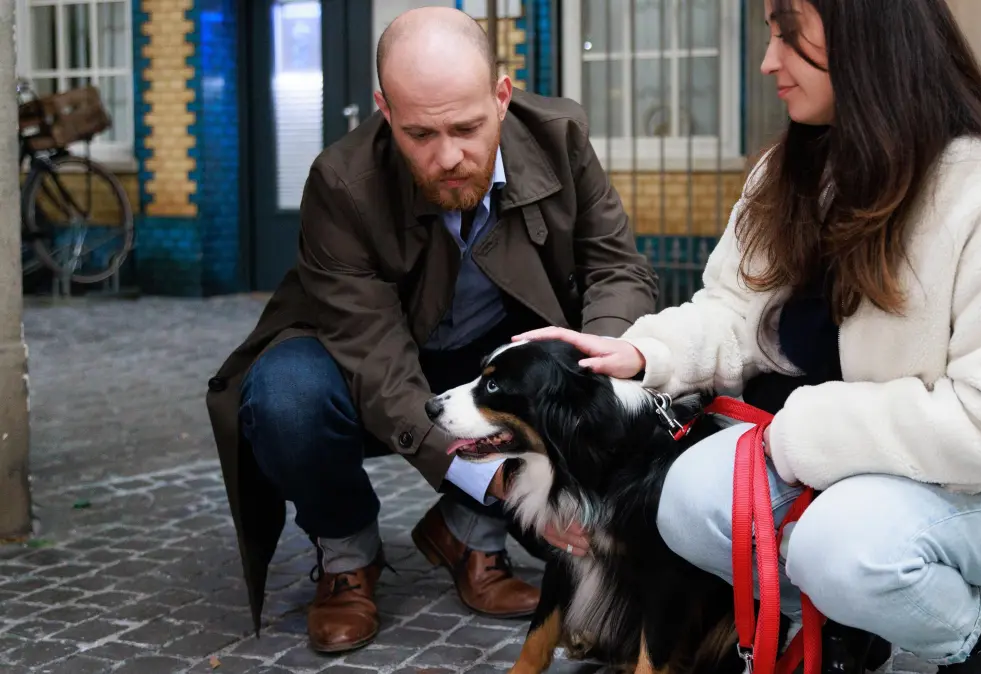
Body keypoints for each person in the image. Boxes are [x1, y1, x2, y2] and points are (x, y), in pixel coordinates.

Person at [514, 0, 981, 673]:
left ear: (867, 39)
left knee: (840, 545)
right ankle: (849, 617)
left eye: (788, 36)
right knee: (681, 503)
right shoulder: (792, 171)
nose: (769, 60)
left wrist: (800, 431)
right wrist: (645, 353)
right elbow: (734, 308)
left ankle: (967, 633)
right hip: (843, 462)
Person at [204, 6, 658, 655]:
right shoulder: (340, 182)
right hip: (360, 368)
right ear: (386, 110)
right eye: (420, 134)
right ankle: (346, 558)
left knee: (565, 502)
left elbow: (616, 266)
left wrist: (597, 370)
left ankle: (467, 535)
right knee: (287, 398)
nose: (449, 156)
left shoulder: (560, 136)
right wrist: (497, 480)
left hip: (485, 365)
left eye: (468, 128)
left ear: (501, 97)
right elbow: (379, 366)